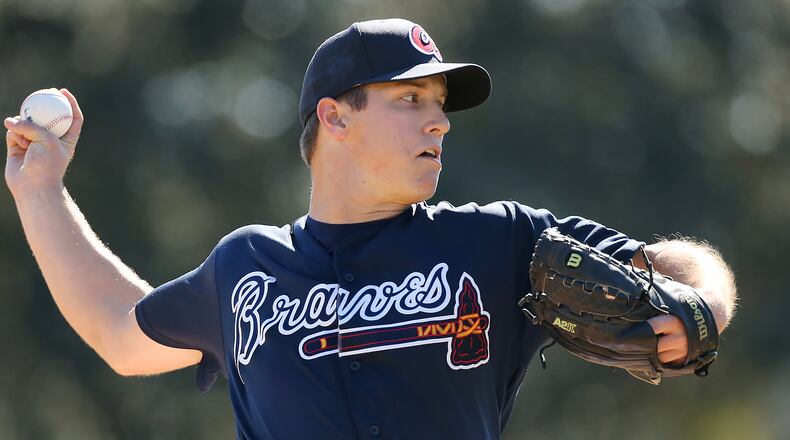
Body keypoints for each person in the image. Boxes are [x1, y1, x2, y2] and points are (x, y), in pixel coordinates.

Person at [5, 18, 736, 440]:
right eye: (411, 97)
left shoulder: (499, 242)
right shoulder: (247, 269)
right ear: (335, 115)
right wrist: (40, 192)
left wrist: (700, 304)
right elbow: (118, 333)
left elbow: (678, 269)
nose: (439, 119)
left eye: (441, 101)